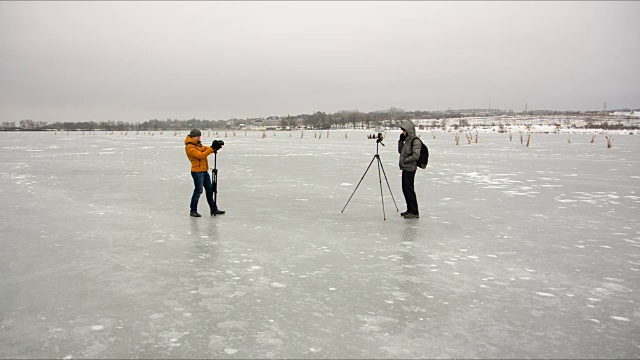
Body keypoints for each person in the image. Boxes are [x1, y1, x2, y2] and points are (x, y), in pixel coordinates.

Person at [185, 129, 225, 217]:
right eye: (198, 136)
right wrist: (211, 149)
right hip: (197, 172)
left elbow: (206, 149)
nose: (199, 138)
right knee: (198, 191)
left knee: (210, 190)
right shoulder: (190, 147)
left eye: (199, 136)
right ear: (193, 136)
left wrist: (214, 147)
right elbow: (200, 155)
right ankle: (193, 210)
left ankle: (213, 208)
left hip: (204, 171)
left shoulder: (198, 145)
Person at [398, 120, 422, 219]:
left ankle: (414, 211)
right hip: (405, 167)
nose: (403, 132)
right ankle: (409, 209)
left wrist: (406, 161)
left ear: (408, 130)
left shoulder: (415, 141)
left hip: (410, 168)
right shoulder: (407, 141)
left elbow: (416, 155)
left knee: (409, 189)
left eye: (404, 131)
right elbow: (401, 151)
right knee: (405, 189)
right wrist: (400, 141)